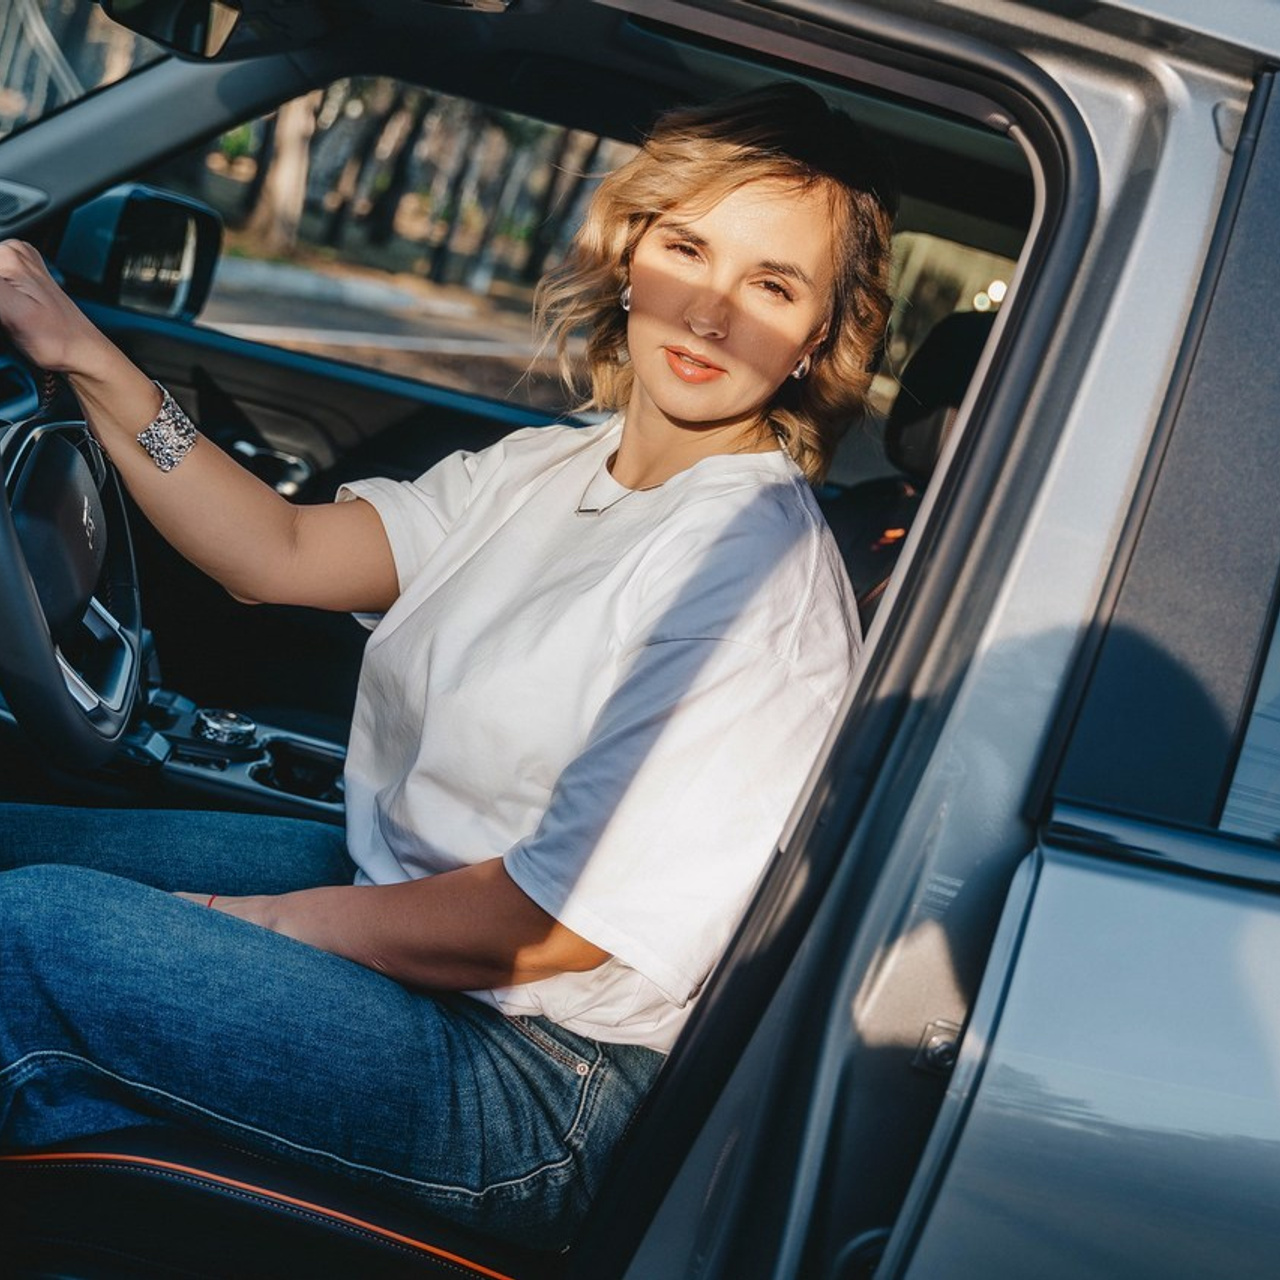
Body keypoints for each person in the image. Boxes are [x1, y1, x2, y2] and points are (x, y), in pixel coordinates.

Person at [0, 82, 895, 1247]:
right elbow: (277, 551)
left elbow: (552, 919)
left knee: (29, 935)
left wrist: (263, 923)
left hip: (538, 1075)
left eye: (770, 285)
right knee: (23, 845)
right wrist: (79, 349)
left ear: (818, 337)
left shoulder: (752, 571)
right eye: (687, 247)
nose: (711, 311)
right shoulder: (546, 470)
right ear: (633, 253)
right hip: (407, 899)